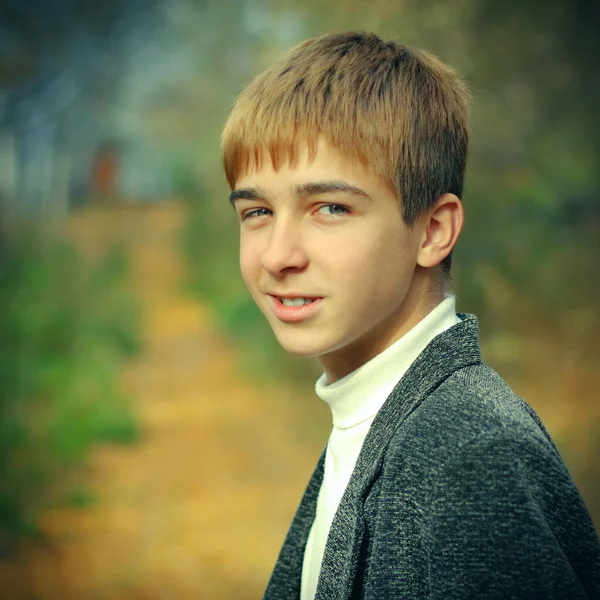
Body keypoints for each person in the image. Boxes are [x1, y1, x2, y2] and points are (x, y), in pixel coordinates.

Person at [221, 32, 600, 600]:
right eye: (257, 211)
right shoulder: (375, 422)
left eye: (329, 208)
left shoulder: (471, 456)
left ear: (433, 231)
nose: (278, 255)